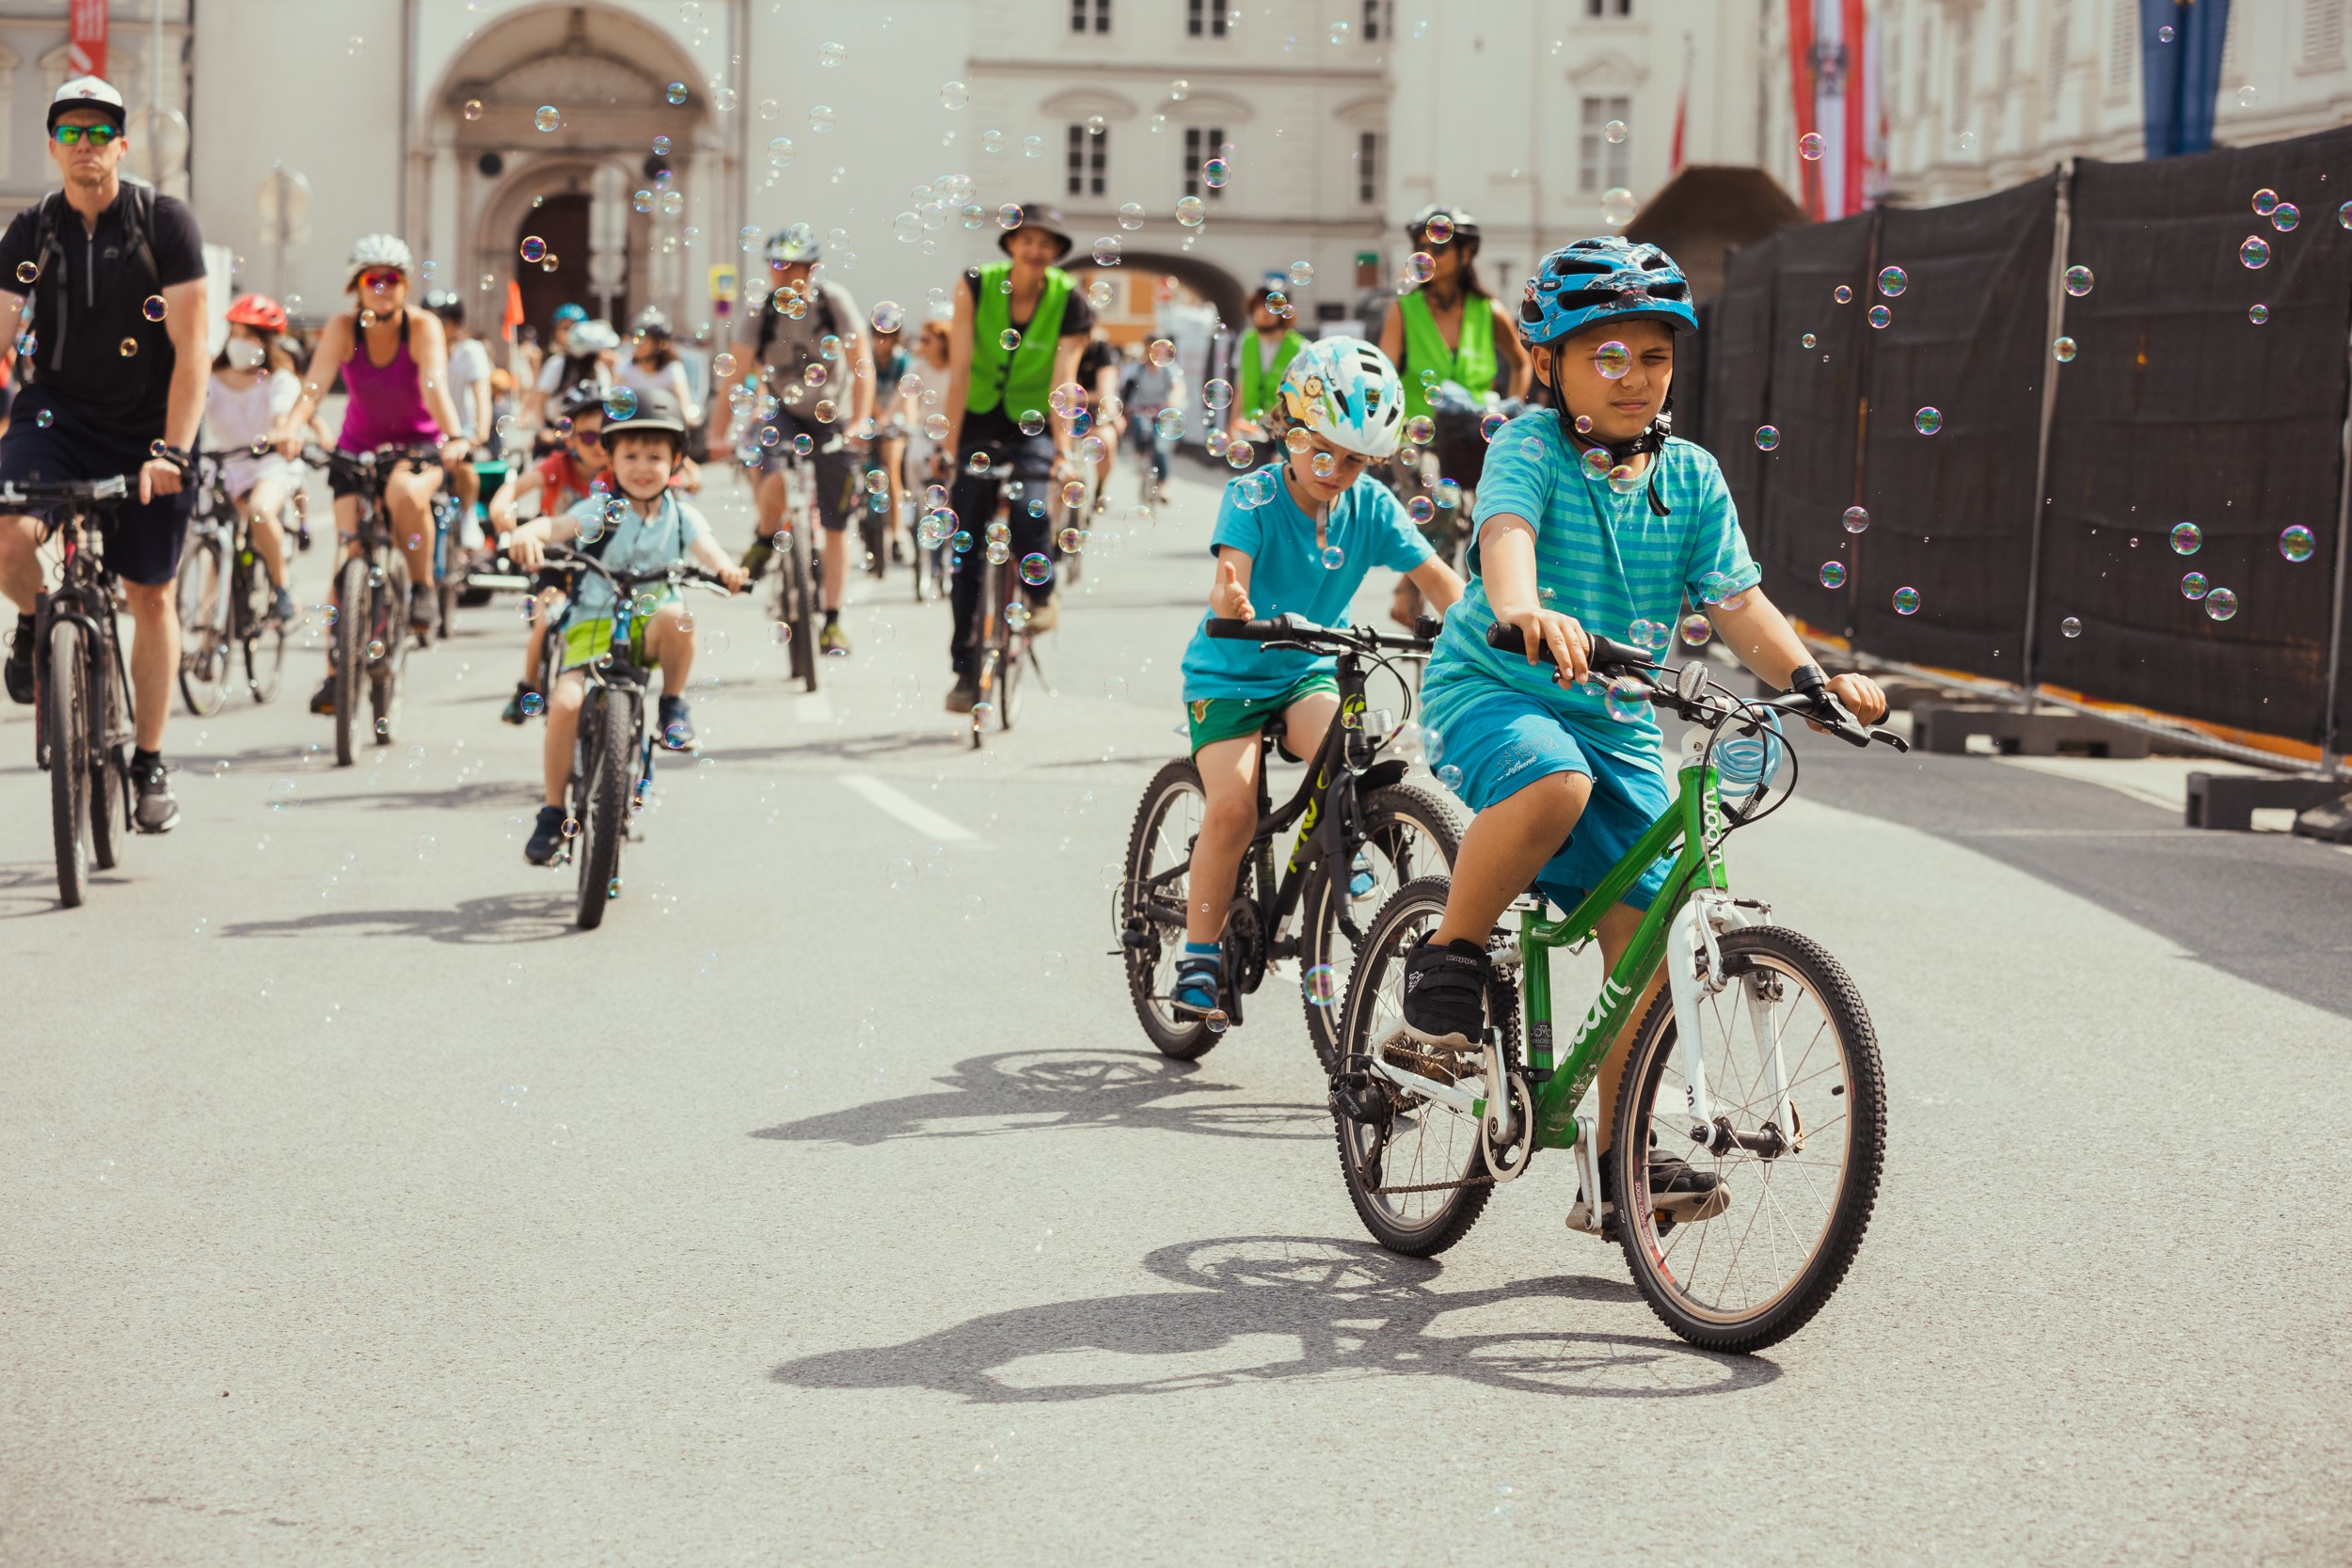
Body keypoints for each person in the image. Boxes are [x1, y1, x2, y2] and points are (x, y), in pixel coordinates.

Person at [1392, 237, 1889, 1226]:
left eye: (1653, 356)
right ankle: (1448, 954)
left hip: (1617, 713)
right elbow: (1506, 537)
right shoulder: (1527, 449)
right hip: (1499, 684)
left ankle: (1621, 1163)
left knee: (1649, 939)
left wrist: (1810, 678)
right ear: (1552, 364)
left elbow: (1735, 600)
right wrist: (1526, 608)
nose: (1634, 376)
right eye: (1606, 355)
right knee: (1552, 785)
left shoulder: (1691, 476)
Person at [1171, 338, 1465, 1015]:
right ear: (1290, 431)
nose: (1339, 469)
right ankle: (1197, 955)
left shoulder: (1374, 509)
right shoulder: (1252, 494)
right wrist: (1231, 604)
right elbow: (1229, 582)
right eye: (1324, 449)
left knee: (1354, 750)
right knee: (1236, 808)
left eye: (1358, 458)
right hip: (1229, 674)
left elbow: (1445, 585)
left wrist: (1492, 627)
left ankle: (1342, 839)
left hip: (1304, 671)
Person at [0, 75, 211, 833]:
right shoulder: (30, 232)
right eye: (71, 131)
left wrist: (172, 452)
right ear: (52, 144)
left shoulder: (164, 223)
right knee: (6, 537)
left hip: (153, 425)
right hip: (56, 417)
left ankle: (149, 759)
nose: (85, 145)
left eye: (100, 132)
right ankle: (35, 622)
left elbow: (194, 351)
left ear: (123, 143)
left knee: (148, 594)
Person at [504, 388, 745, 865]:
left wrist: (728, 570)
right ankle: (553, 811)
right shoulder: (598, 511)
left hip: (651, 624)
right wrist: (526, 534)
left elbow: (710, 551)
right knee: (566, 703)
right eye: (630, 455)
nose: (642, 466)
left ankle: (673, 706)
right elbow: (553, 529)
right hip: (593, 622)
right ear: (609, 461)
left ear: (675, 461)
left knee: (679, 617)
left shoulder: (682, 514)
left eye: (655, 456)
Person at [272, 232, 471, 711]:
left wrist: (457, 435)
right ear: (355, 286)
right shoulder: (343, 328)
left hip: (416, 447)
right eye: (371, 279)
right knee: (349, 553)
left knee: (405, 494)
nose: (382, 287)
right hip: (355, 450)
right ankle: (335, 676)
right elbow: (314, 386)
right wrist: (292, 428)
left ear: (405, 286)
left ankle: (422, 588)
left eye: (392, 279)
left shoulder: (422, 328)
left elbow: (435, 386)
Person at [939, 201, 1093, 710]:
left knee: (1030, 507)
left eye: (1047, 244)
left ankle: (1042, 592)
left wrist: (1063, 452)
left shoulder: (1068, 300)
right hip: (980, 419)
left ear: (1055, 254)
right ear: (1011, 244)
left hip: (1034, 424)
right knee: (966, 550)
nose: (1036, 249)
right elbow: (960, 370)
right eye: (1027, 239)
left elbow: (1064, 379)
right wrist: (947, 444)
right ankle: (964, 670)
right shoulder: (977, 284)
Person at [712, 225, 873, 657]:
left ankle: (834, 621)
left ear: (813, 269)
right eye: (777, 265)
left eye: (794, 267)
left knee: (837, 528)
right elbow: (734, 376)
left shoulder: (833, 302)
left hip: (833, 417)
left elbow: (862, 365)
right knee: (775, 478)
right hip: (781, 412)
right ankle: (766, 537)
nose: (784, 275)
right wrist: (714, 434)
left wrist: (860, 421)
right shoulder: (760, 312)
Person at [1378, 207, 1534, 623]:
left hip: (1476, 428)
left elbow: (1523, 362)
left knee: (1501, 509)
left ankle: (1488, 600)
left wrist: (1511, 409)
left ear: (1467, 255)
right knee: (1437, 499)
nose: (1428, 255)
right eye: (1422, 248)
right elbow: (1386, 371)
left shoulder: (1489, 309)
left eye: (1440, 247)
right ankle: (1410, 586)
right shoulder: (1403, 309)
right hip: (1419, 432)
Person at [486, 384, 611, 723]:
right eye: (587, 437)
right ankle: (529, 685)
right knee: (548, 615)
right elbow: (514, 487)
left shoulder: (618, 473)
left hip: (601, 564)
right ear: (569, 439)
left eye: (606, 435)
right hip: (553, 559)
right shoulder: (557, 465)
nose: (599, 444)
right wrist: (501, 509)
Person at [202, 293, 303, 626]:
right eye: (235, 333)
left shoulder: (280, 380)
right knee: (216, 540)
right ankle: (206, 634)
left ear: (267, 342)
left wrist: (280, 434)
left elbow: (280, 420)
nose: (239, 342)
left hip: (268, 462)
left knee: (260, 512)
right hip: (225, 463)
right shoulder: (211, 380)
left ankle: (282, 587)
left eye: (250, 335)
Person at [427, 289, 492, 525]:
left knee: (463, 468)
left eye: (441, 321)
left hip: (462, 430)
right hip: (425, 431)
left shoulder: (471, 351)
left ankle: (468, 517)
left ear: (456, 324)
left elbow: (482, 392)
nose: (433, 326)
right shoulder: (416, 351)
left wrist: (480, 433)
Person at [1228, 286, 1310, 444]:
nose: (1263, 312)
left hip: (1286, 431)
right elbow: (1241, 385)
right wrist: (1232, 423)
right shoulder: (1245, 342)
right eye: (1258, 306)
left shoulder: (1301, 347)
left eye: (1270, 306)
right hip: (1251, 429)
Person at [1121, 339, 1184, 509]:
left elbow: (1177, 388)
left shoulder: (1169, 370)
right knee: (1139, 429)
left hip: (1162, 412)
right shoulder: (1137, 369)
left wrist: (1173, 400)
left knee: (1160, 447)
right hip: (1141, 410)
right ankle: (1138, 455)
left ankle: (1164, 484)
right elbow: (1128, 389)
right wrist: (1126, 406)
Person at [621, 307, 700, 428]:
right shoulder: (625, 367)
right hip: (631, 428)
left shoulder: (672, 369)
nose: (637, 344)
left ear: (659, 343)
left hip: (661, 429)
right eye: (635, 338)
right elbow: (615, 403)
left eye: (642, 339)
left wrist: (688, 417)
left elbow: (684, 406)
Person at [1074, 324, 1122, 511]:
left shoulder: (1100, 350)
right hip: (1061, 410)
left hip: (1094, 409)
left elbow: (1106, 389)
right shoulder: (1059, 344)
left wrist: (1113, 415)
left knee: (1106, 443)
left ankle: (1099, 488)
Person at [525, 302, 592, 428]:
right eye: (565, 328)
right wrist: (543, 429)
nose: (571, 332)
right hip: (559, 431)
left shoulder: (596, 360)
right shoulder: (558, 362)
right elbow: (539, 399)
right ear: (556, 332)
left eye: (575, 327)